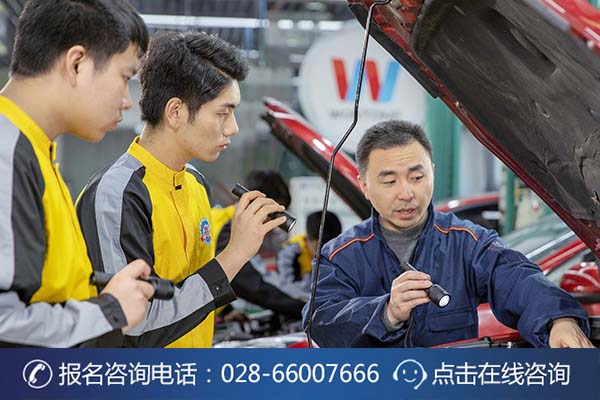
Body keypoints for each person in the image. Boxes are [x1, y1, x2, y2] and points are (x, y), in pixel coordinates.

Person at [303, 120, 593, 348]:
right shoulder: (339, 256)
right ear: (364, 186)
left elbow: (519, 279)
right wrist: (386, 312)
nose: (407, 193)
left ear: (432, 172)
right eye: (389, 181)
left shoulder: (468, 243)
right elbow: (319, 322)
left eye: (417, 177)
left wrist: (558, 320)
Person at [77, 32, 286, 348]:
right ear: (176, 112)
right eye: (222, 113)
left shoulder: (196, 184)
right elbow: (134, 330)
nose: (233, 128)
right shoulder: (117, 195)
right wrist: (235, 254)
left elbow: (190, 296)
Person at [0, 0, 156, 347]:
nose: (127, 100)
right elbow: (5, 328)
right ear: (77, 64)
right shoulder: (7, 154)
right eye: (125, 77)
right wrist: (110, 311)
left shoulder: (34, 152)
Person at [213, 170, 306, 320]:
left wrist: (226, 311)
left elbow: (216, 277)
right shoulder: (227, 230)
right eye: (273, 215)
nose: (273, 225)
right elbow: (251, 285)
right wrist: (305, 310)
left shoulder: (219, 219)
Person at [276, 211, 342, 301]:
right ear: (307, 239)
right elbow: (287, 289)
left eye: (331, 247)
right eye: (320, 247)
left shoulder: (340, 251)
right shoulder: (289, 254)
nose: (325, 253)